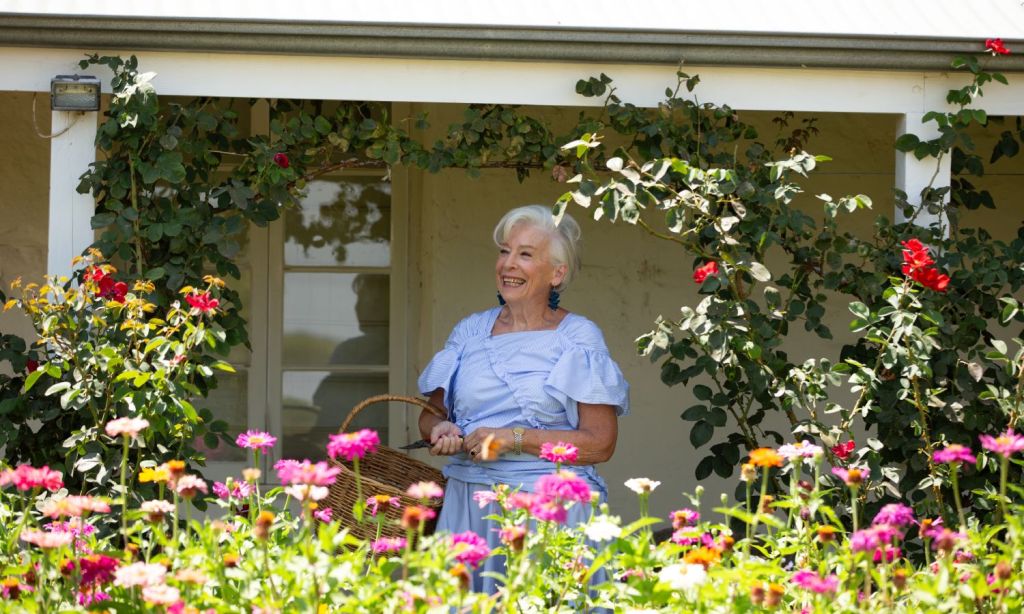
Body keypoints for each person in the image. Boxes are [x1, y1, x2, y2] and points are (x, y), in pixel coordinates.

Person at [417, 204, 629, 594]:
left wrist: (514, 437)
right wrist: (441, 430)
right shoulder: (469, 332)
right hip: (469, 506)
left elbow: (600, 443)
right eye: (504, 251)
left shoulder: (578, 338)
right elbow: (431, 416)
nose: (508, 264)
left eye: (526, 254)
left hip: (549, 510)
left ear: (557, 273)